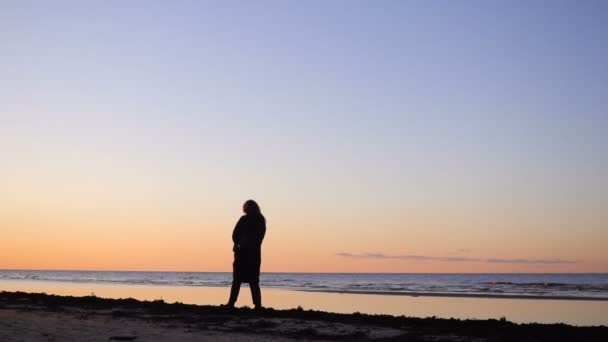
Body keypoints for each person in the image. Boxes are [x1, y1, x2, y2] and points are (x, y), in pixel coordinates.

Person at [226, 199, 266, 309]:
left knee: (251, 280)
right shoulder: (249, 220)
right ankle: (232, 303)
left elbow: (257, 237)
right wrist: (238, 243)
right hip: (244, 253)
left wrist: (241, 243)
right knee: (240, 280)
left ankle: (256, 304)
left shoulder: (259, 220)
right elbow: (235, 234)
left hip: (250, 254)